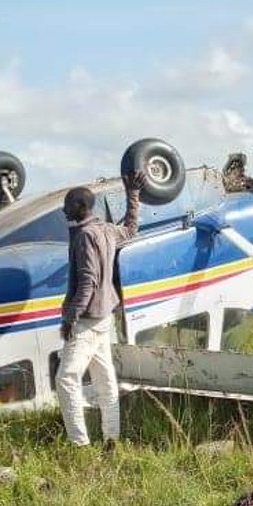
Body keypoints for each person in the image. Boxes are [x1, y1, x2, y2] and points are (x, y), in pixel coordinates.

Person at [57, 172, 144, 447]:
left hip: (86, 321)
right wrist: (133, 195)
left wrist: (70, 319)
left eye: (68, 205)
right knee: (105, 381)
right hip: (105, 317)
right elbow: (131, 229)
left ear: (80, 207)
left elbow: (87, 283)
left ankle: (80, 445)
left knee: (66, 380)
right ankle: (111, 439)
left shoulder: (84, 237)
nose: (64, 209)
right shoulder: (106, 230)